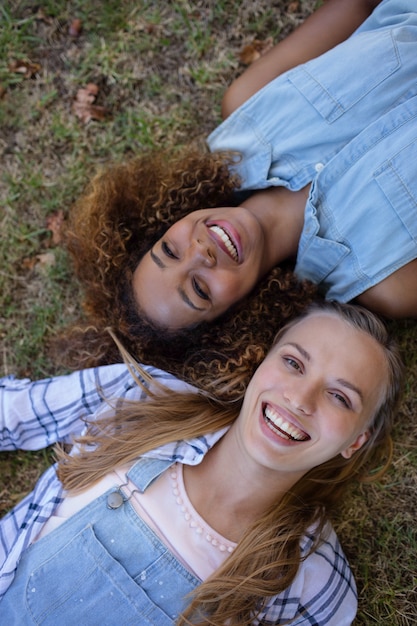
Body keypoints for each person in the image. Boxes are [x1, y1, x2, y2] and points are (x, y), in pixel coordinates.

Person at [59, 0, 416, 374]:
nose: (199, 252)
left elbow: (355, 8)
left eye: (169, 249)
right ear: (238, 317)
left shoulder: (246, 109)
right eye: (199, 290)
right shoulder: (385, 284)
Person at [0, 302, 404, 625]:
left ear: (356, 442)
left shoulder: (312, 579)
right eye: (294, 363)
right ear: (262, 364)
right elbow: (14, 412)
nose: (300, 399)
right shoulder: (145, 398)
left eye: (340, 397)